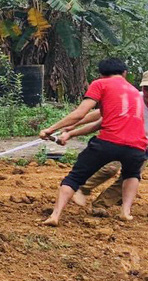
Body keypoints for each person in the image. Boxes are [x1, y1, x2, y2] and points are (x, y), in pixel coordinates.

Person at [39, 58, 147, 226]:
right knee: (132, 174)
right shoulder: (134, 93)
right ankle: (125, 212)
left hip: (108, 142)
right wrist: (71, 133)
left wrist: (50, 129)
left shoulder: (101, 84)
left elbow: (81, 113)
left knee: (74, 178)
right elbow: (100, 121)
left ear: (101, 74)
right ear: (125, 73)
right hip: (137, 147)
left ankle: (55, 216)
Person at [58, 69, 148, 211]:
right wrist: (74, 124)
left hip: (141, 146)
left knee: (129, 177)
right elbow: (100, 113)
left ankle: (101, 205)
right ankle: (84, 188)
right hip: (119, 138)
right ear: (142, 87)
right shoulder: (134, 97)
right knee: (110, 168)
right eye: (146, 88)